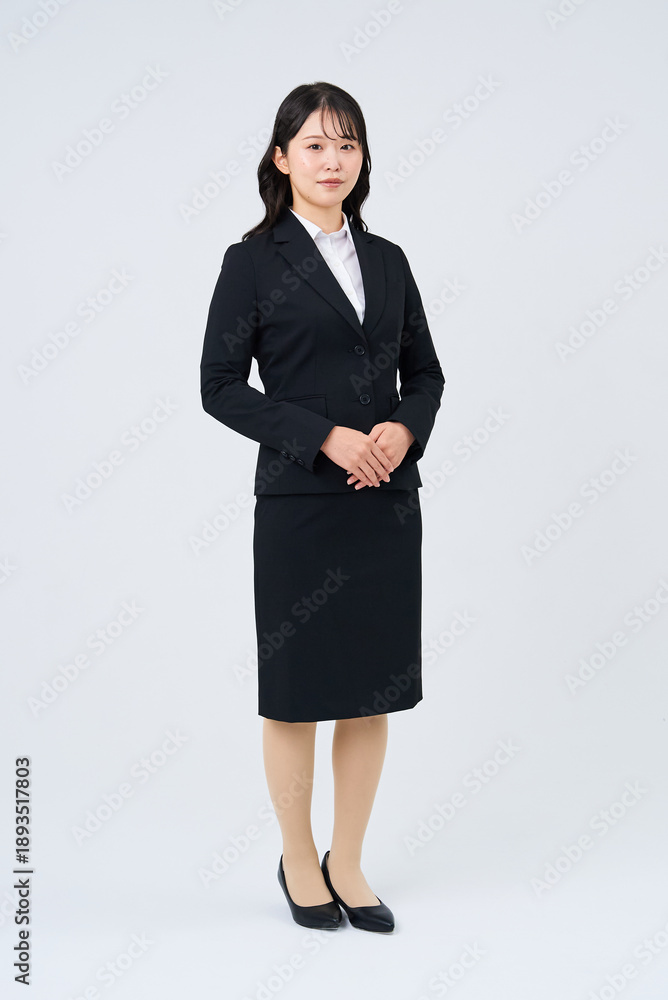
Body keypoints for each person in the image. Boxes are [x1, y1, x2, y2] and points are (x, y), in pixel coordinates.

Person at [200, 81, 445, 933]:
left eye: (346, 143)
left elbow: (426, 373)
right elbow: (219, 386)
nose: (332, 159)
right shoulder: (251, 262)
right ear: (281, 158)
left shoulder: (389, 260)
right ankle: (298, 858)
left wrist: (404, 430)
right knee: (296, 691)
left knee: (371, 689)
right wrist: (324, 436)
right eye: (314, 144)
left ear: (363, 157)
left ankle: (349, 858)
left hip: (386, 501)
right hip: (301, 501)